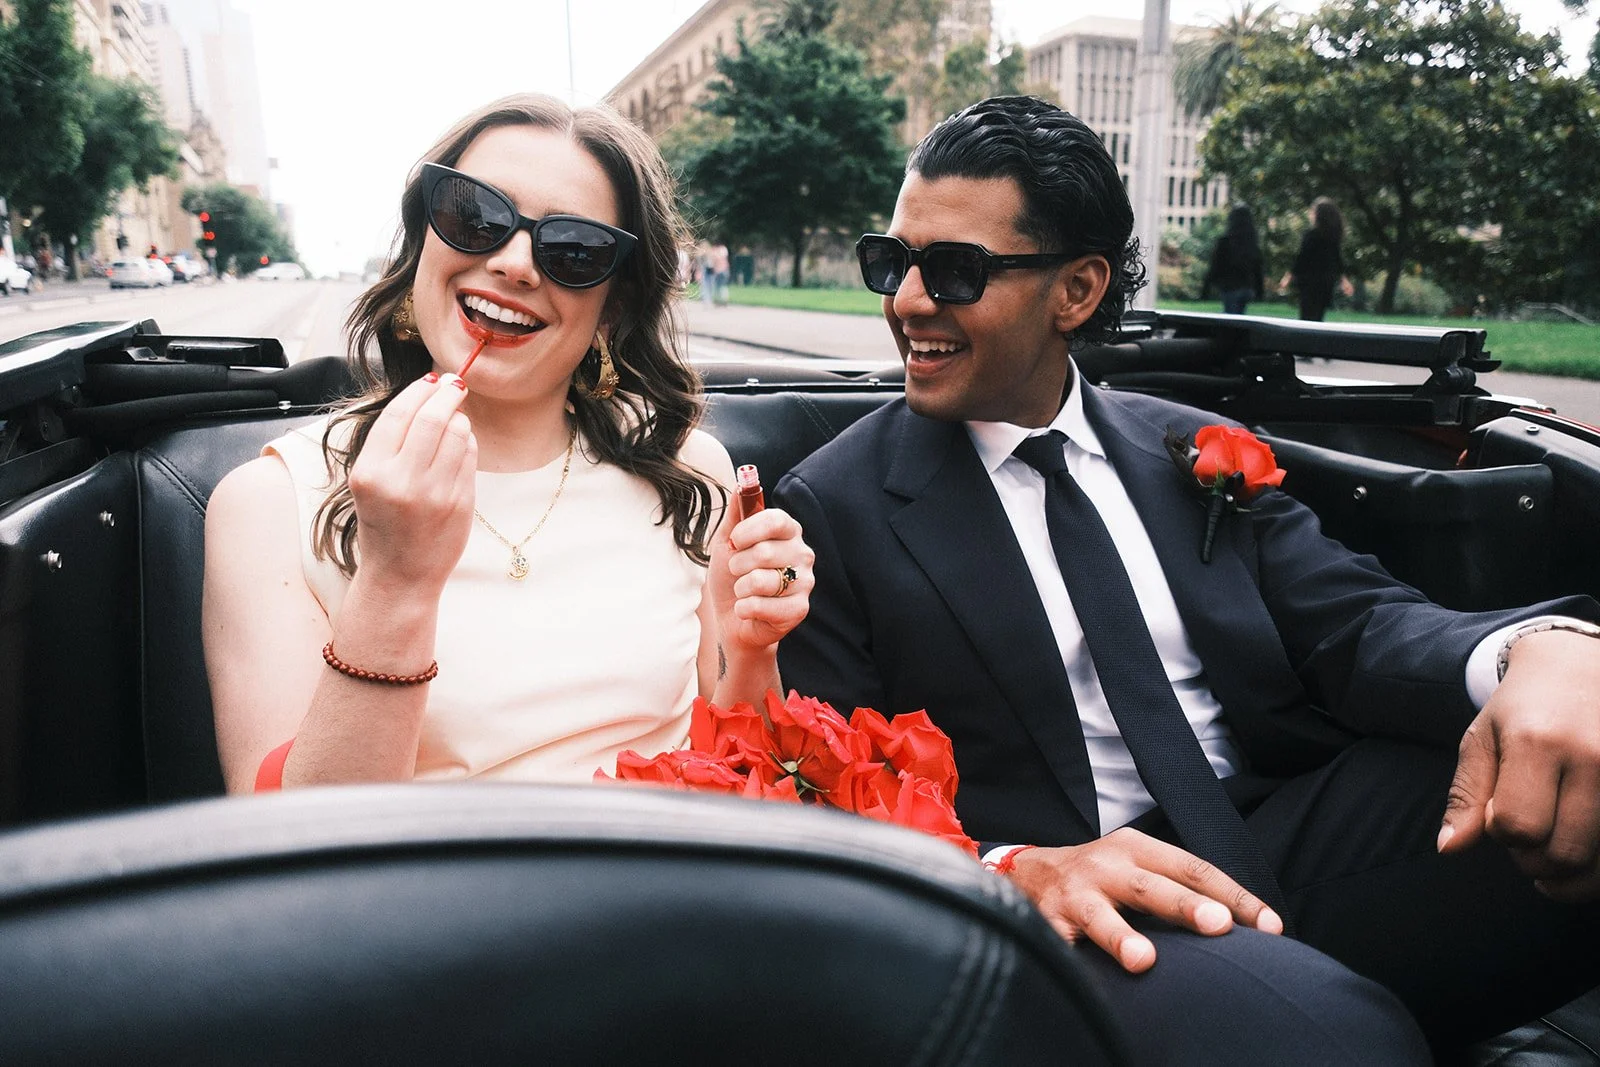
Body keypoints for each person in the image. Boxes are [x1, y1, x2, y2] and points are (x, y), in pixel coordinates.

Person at [773, 95, 1600, 1063]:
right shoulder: (830, 504)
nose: (908, 299)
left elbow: (1359, 624)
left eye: (952, 270)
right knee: (1332, 1036)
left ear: (1076, 290)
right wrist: (1008, 867)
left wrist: (1537, 649)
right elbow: (832, 778)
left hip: (1277, 826)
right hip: (1085, 889)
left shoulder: (1189, 447)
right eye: (892, 261)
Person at [204, 94, 814, 792]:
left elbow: (746, 773)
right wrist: (395, 586)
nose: (517, 263)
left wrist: (750, 646)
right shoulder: (270, 505)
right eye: (474, 216)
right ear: (423, 241)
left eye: (574, 250)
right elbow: (299, 859)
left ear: (612, 305)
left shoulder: (688, 469)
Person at [1279, 196, 1354, 321]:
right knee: (1318, 317)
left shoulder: (1311, 235)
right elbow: (1337, 259)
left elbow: (1301, 258)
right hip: (1326, 283)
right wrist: (1343, 280)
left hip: (1309, 283)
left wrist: (1289, 277)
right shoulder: (1333, 237)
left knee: (1307, 317)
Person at [1201, 204, 1263, 314]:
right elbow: (1257, 268)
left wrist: (1206, 289)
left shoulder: (1225, 242)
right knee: (1239, 315)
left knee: (1230, 316)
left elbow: (1215, 265)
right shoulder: (1252, 243)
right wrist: (1259, 291)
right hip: (1246, 286)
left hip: (1230, 286)